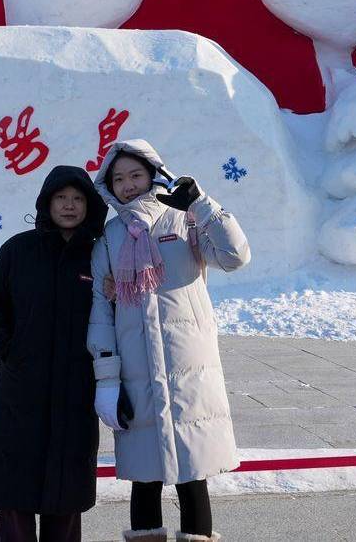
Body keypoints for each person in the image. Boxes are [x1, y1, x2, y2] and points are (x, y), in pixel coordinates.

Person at [89, 140, 250, 542]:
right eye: (119, 179)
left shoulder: (185, 220)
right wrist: (107, 381)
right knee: (144, 480)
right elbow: (100, 311)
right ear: (109, 186)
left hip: (189, 370)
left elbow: (235, 256)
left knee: (193, 476)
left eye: (136, 175)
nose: (128, 184)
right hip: (137, 373)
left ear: (154, 175)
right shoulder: (109, 237)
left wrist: (202, 204)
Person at [0, 165, 109, 542]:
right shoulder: (19, 249)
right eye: (61, 198)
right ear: (47, 203)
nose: (69, 205)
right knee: (14, 491)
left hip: (76, 389)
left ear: (89, 205)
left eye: (77, 198)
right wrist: (2, 345)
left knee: (66, 496)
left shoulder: (99, 255)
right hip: (21, 389)